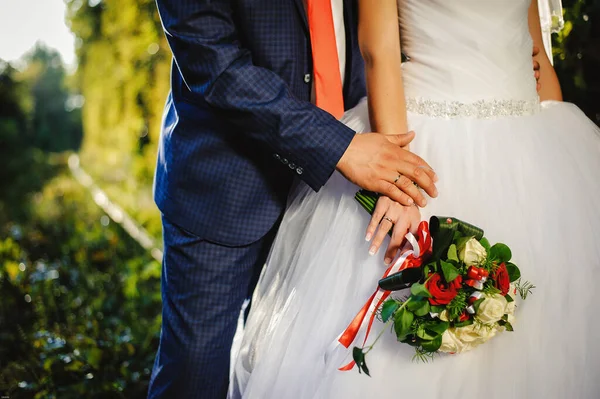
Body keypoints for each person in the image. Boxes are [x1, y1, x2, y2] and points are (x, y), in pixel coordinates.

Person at [231, 0, 600, 397]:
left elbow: (537, 51)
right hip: (428, 138)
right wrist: (400, 178)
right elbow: (379, 52)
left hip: (532, 141)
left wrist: (561, 157)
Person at [148, 1, 440, 398]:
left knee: (298, 368)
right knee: (194, 373)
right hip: (226, 185)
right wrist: (341, 148)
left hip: (341, 193)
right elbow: (215, 67)